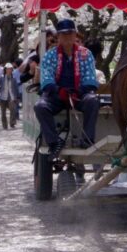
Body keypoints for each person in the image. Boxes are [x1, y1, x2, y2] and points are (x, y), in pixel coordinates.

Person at [34, 19, 100, 156]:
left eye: (71, 34)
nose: (68, 37)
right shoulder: (50, 55)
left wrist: (80, 91)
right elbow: (46, 78)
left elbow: (90, 78)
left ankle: (88, 138)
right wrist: (58, 90)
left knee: (92, 100)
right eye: (63, 34)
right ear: (58, 37)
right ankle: (53, 141)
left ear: (76, 35)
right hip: (57, 95)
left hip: (79, 95)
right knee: (40, 106)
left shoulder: (86, 54)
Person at [0, 63, 20, 130]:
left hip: (11, 96)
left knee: (13, 109)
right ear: (5, 70)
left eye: (10, 69)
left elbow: (16, 88)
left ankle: (12, 123)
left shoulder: (14, 78)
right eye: (8, 69)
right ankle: (5, 125)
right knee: (3, 112)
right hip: (2, 97)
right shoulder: (1, 78)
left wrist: (17, 97)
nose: (9, 70)